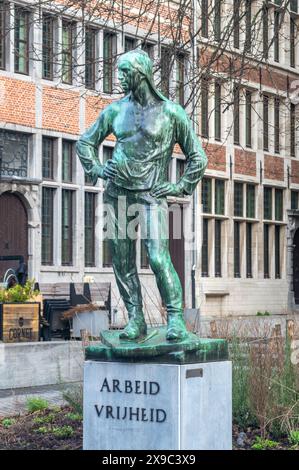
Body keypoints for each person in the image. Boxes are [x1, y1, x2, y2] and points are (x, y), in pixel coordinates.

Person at [76, 49, 207, 341]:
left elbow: (198, 157)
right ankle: (136, 319)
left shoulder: (172, 113)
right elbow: (85, 143)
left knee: (158, 257)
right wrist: (97, 168)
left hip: (151, 195)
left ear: (141, 73)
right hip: (117, 194)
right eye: (119, 72)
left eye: (125, 72)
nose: (119, 78)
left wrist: (180, 186)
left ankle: (175, 319)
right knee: (122, 262)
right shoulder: (114, 111)